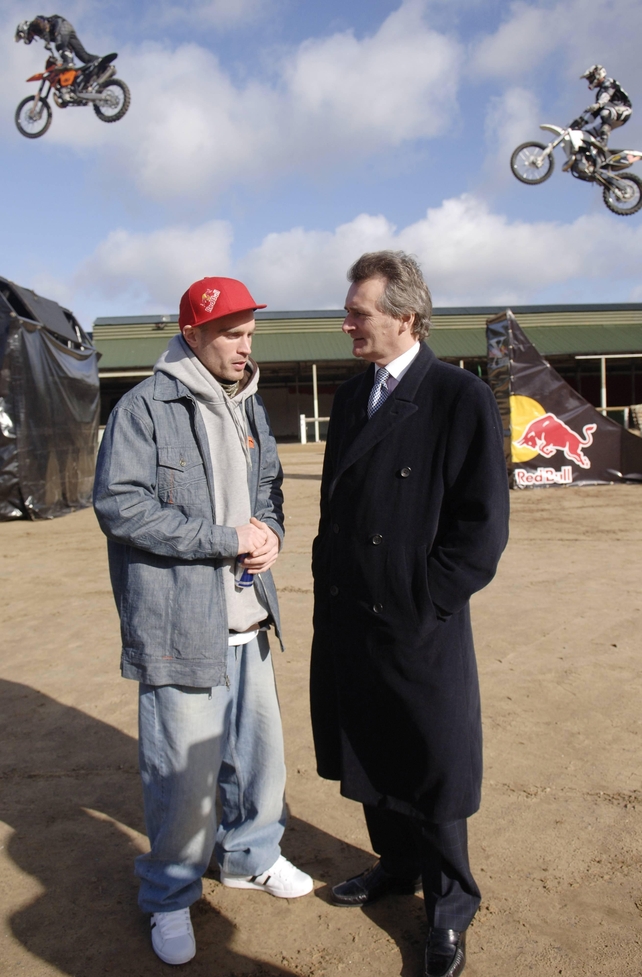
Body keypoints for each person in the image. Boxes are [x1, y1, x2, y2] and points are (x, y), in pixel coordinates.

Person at [94, 276, 313, 967]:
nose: (246, 348)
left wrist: (271, 531)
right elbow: (121, 506)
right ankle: (170, 897)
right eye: (232, 335)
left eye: (251, 335)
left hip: (249, 618)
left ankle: (252, 856)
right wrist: (226, 538)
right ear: (192, 334)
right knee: (179, 779)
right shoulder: (144, 408)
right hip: (178, 627)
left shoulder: (249, 405)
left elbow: (270, 488)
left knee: (259, 761)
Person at [310, 252, 510, 977]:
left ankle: (452, 902)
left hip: (416, 620)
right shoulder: (348, 396)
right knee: (369, 746)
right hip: (349, 613)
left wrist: (429, 599)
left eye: (358, 313)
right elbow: (338, 504)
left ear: (407, 316)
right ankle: (395, 864)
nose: (347, 324)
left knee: (431, 761)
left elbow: (482, 525)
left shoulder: (459, 397)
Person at [574, 65, 632, 146]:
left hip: (624, 110)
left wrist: (598, 104)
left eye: (590, 78)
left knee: (605, 112)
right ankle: (591, 155)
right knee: (586, 134)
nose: (590, 81)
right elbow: (595, 113)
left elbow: (607, 94)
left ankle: (603, 141)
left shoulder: (609, 81)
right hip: (610, 119)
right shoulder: (599, 94)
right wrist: (581, 123)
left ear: (598, 74)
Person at [15, 14, 98, 64]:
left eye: (22, 36)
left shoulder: (35, 23)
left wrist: (47, 42)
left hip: (62, 26)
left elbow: (45, 27)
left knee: (59, 45)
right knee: (82, 55)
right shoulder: (38, 33)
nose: (26, 38)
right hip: (65, 28)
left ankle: (68, 63)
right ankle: (99, 62)